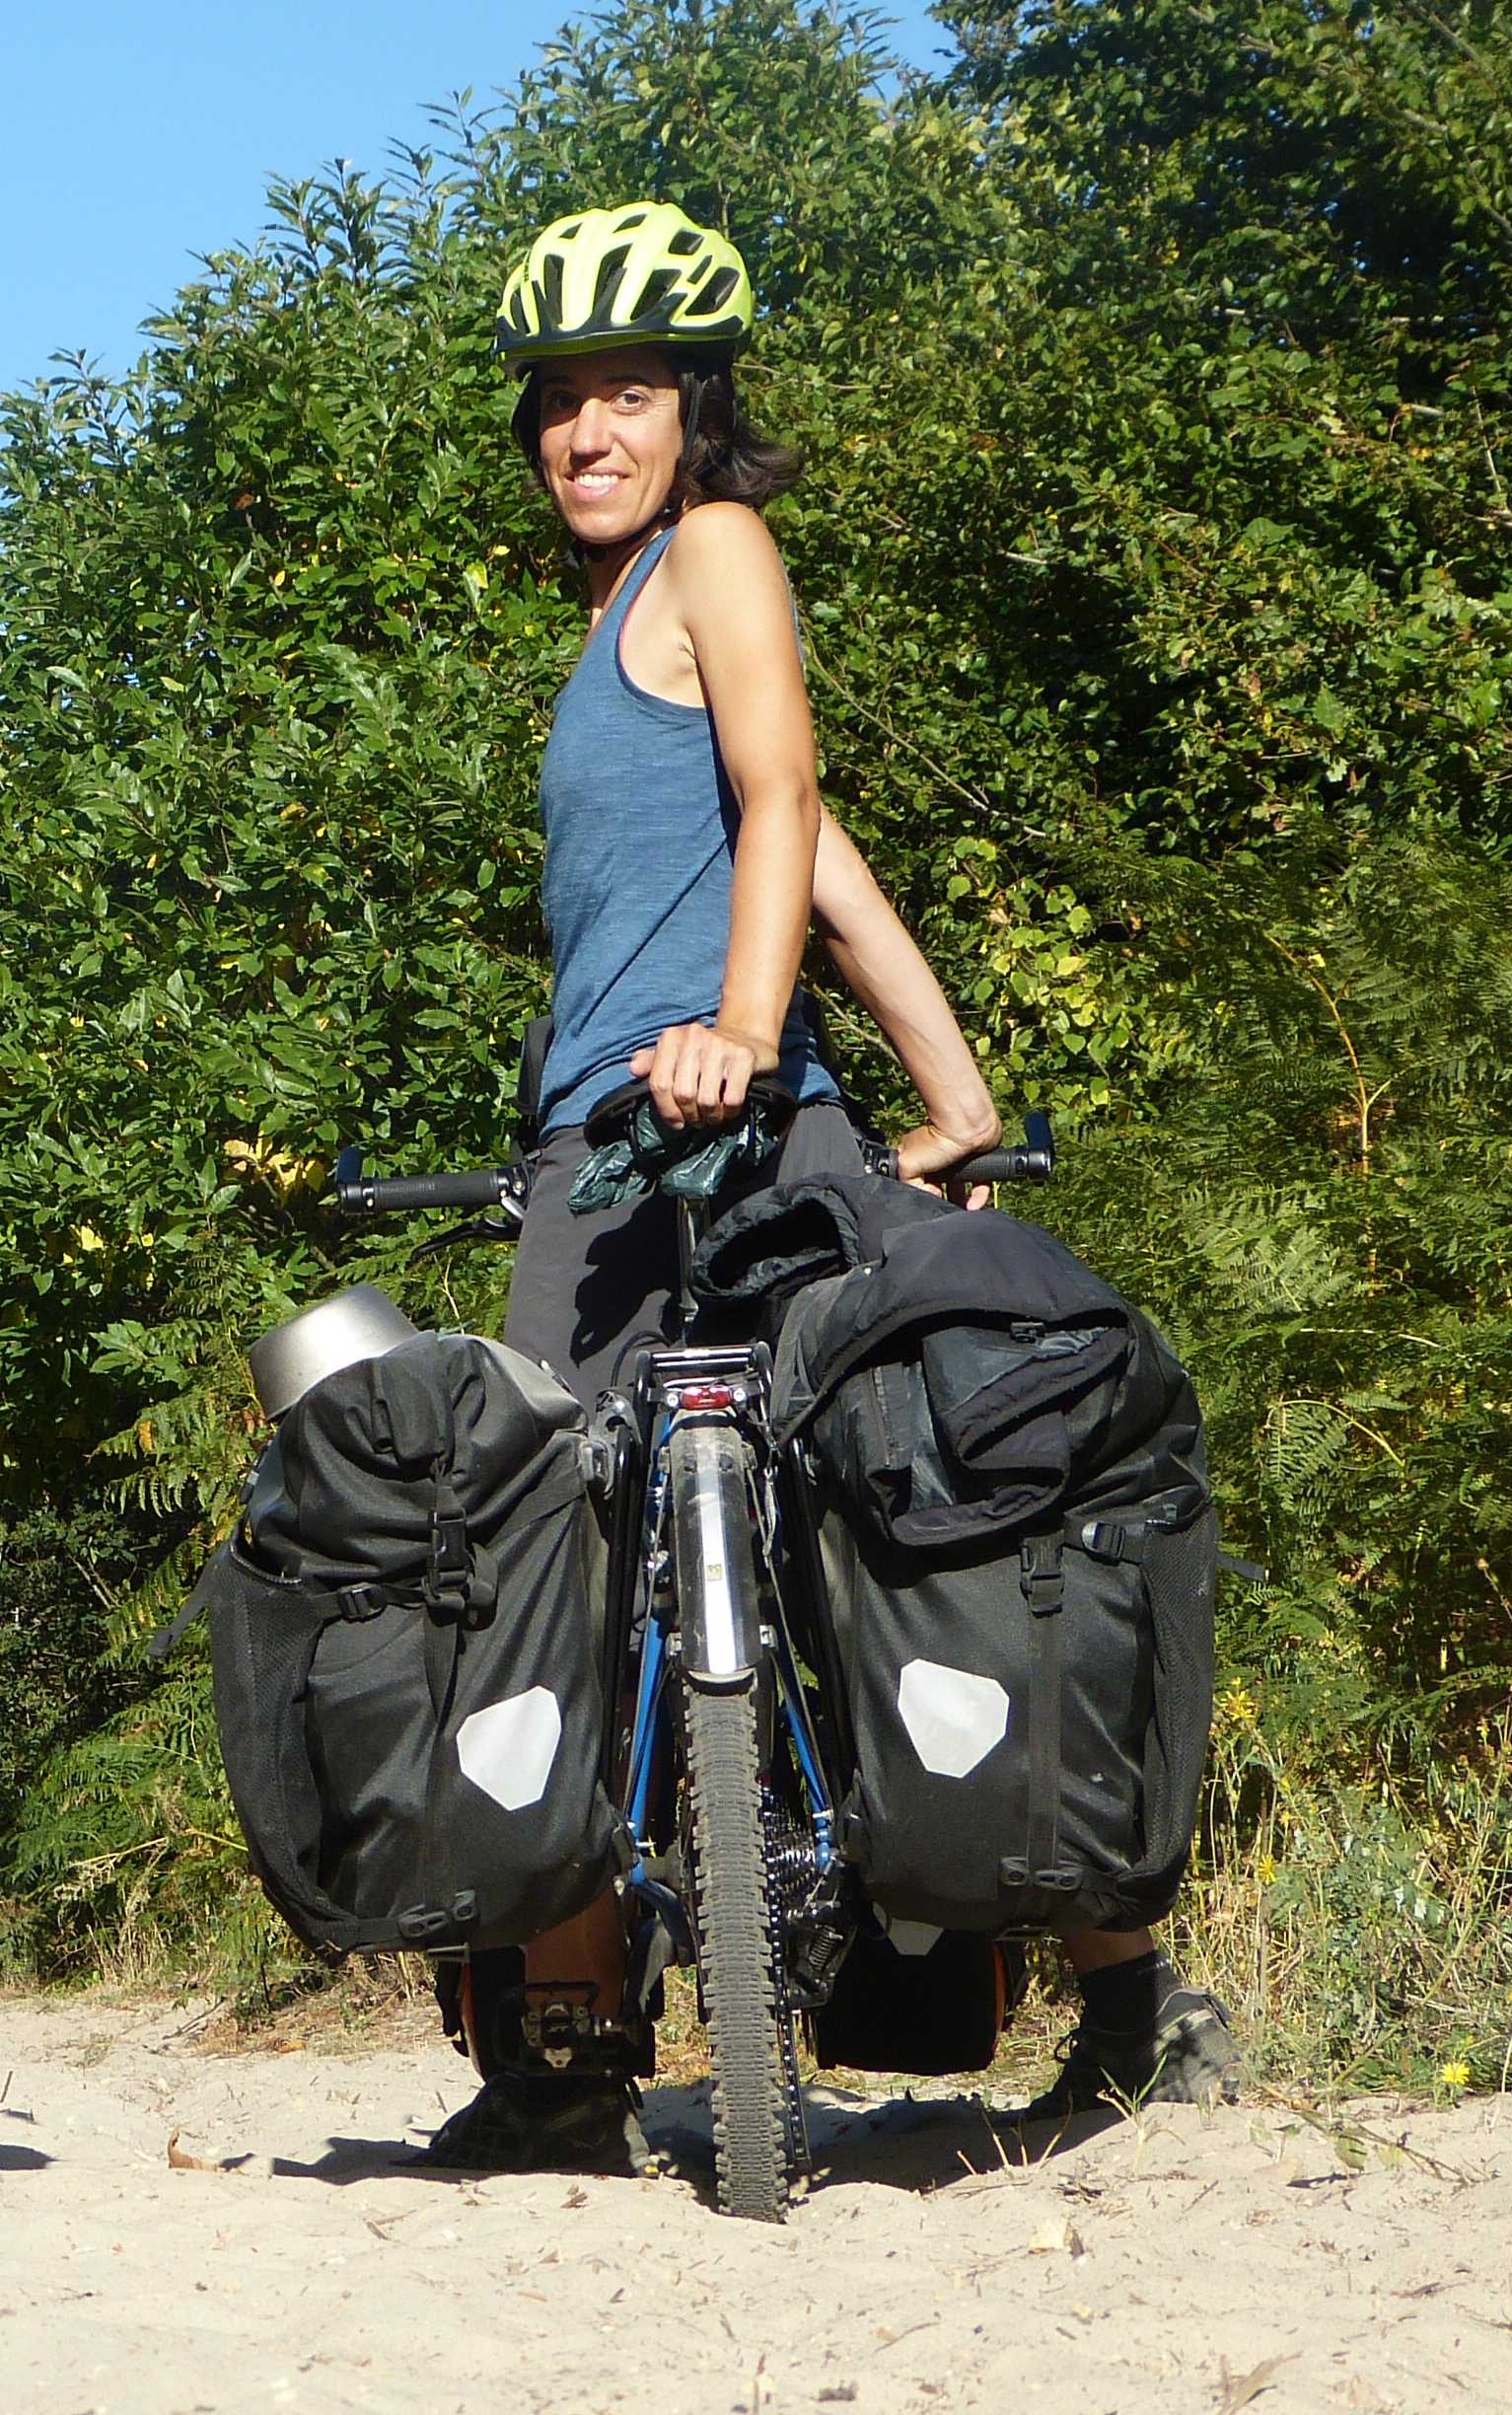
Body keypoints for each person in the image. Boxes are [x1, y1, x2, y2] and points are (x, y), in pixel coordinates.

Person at [421, 201, 1245, 2174]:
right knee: (557, 1573)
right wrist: (951, 1095)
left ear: (693, 405)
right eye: (555, 398)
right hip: (599, 1156)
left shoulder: (711, 546)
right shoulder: (619, 618)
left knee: (937, 1520)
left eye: (624, 387)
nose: (582, 428)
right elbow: (826, 843)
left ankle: (1129, 2008)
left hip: (733, 1118)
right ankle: (555, 2054)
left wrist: (736, 1027)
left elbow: (786, 806)